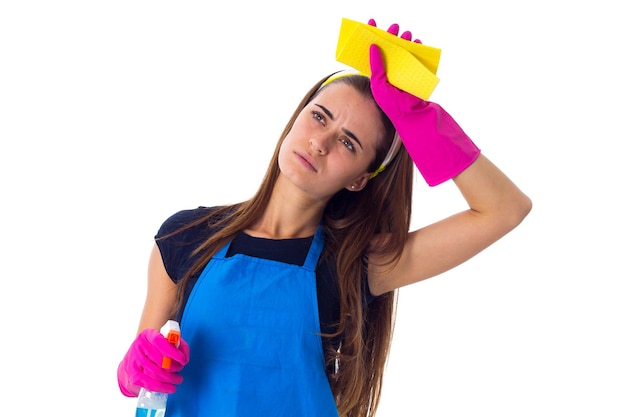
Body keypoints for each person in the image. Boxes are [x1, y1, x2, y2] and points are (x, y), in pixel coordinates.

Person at [117, 18, 532, 417]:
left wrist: (420, 122)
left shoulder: (356, 263)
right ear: (296, 116)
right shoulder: (186, 237)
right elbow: (139, 380)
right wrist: (133, 368)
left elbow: (504, 210)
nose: (320, 143)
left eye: (348, 143)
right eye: (319, 116)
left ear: (359, 180)